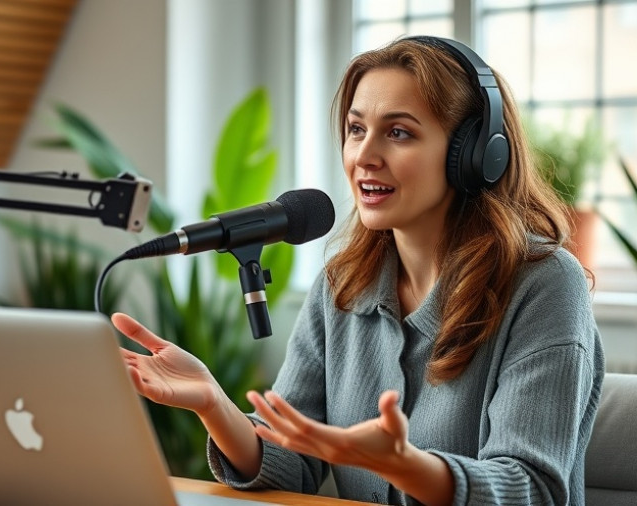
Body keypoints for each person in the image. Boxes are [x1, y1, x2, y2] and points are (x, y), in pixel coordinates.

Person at [112, 36, 604, 506]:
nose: (364, 157)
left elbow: (531, 491)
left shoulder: (543, 283)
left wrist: (406, 466)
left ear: (473, 156)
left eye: (398, 132)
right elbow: (293, 460)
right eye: (355, 129)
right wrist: (212, 403)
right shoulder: (342, 283)